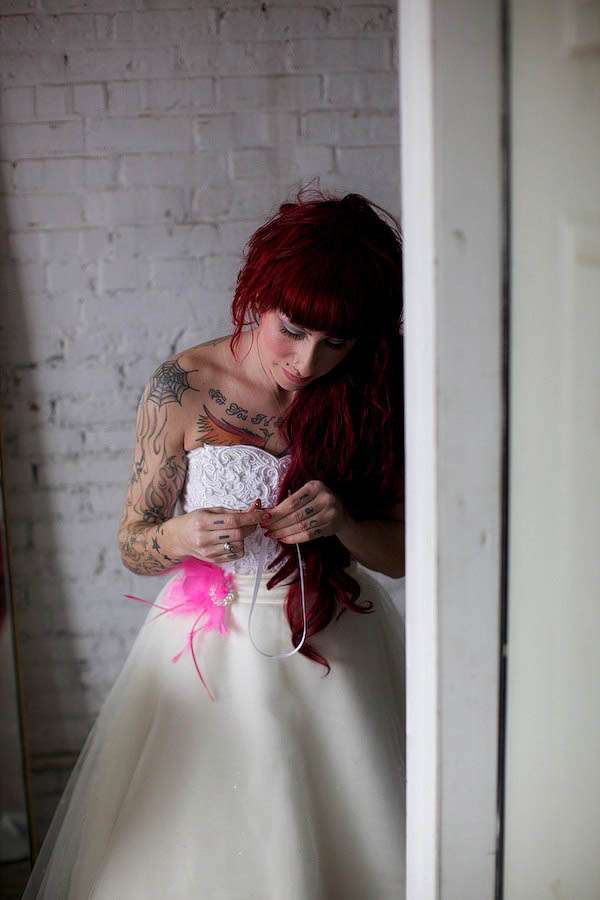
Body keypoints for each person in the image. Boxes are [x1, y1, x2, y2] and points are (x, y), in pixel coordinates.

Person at [22, 184, 406, 899]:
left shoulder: (376, 387)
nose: (307, 361)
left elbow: (403, 556)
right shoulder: (183, 386)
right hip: (211, 647)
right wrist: (182, 533)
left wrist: (345, 522)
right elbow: (134, 543)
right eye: (293, 329)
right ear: (260, 296)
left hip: (337, 644)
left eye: (336, 342)